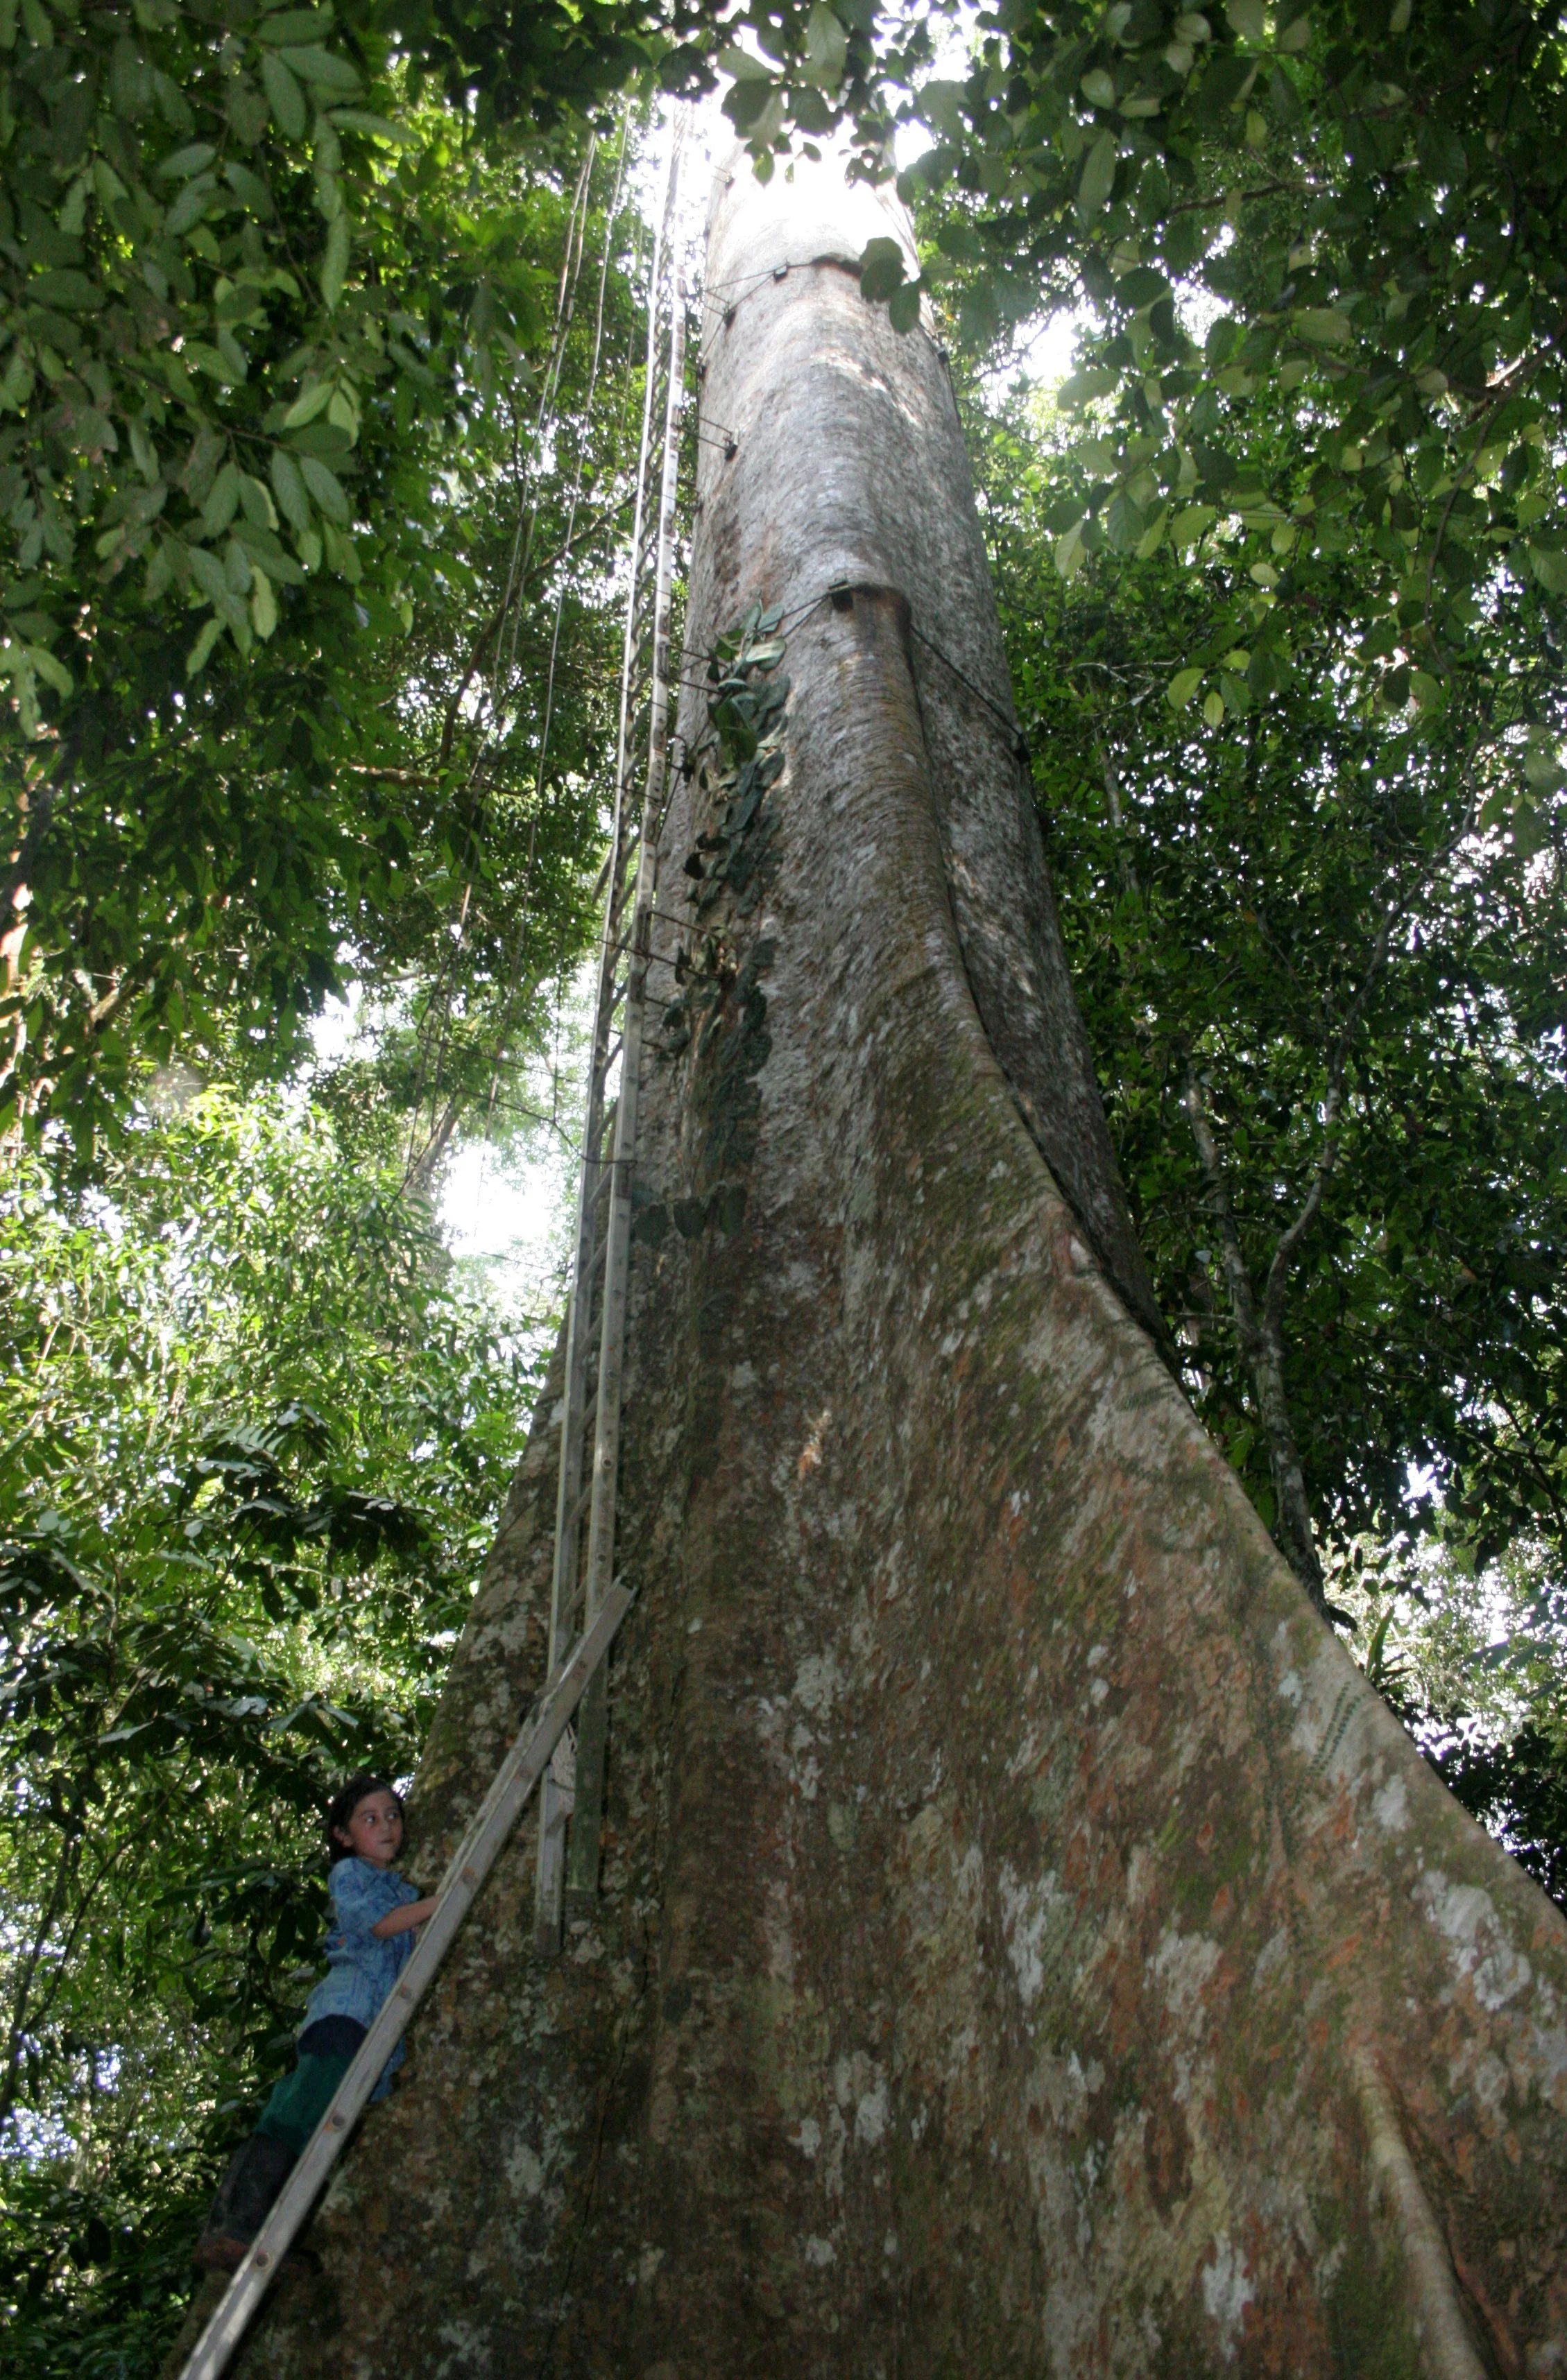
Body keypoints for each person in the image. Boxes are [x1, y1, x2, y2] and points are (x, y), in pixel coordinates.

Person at [194, 1772, 438, 2272]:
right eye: (369, 1819)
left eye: (393, 1815)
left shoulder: (395, 1886)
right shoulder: (350, 1875)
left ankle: (249, 2228)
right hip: (344, 2018)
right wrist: (442, 1900)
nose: (386, 1826)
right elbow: (378, 1925)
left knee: (310, 2115)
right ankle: (236, 2226)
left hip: (366, 2026)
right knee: (300, 2114)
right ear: (344, 1837)